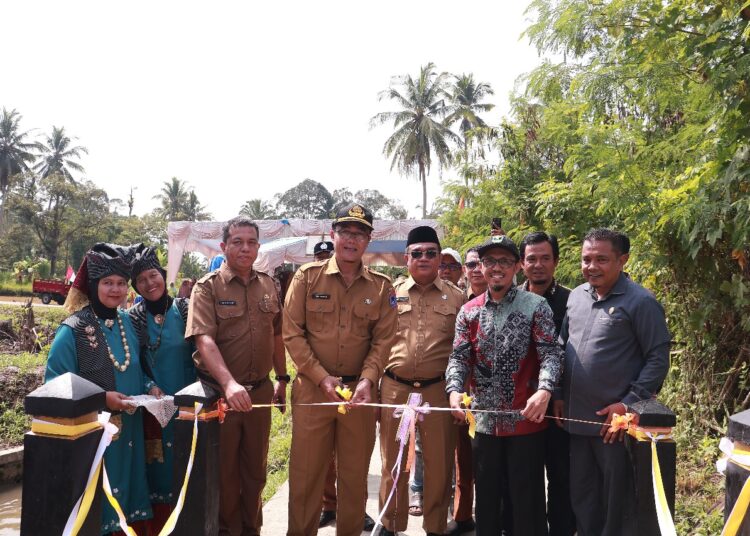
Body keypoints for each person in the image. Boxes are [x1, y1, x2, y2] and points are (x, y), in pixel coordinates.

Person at [283, 203, 397, 536]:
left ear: (368, 240)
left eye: (359, 233)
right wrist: (320, 377)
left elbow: (384, 341)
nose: (351, 239)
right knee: (306, 477)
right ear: (333, 235)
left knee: (354, 478)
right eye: (345, 232)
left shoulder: (381, 287)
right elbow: (292, 333)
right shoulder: (307, 278)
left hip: (359, 396)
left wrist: (367, 380)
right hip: (312, 392)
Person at [555, 229, 670, 536]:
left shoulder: (641, 302)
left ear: (622, 260)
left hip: (615, 427)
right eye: (586, 259)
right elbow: (561, 345)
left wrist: (628, 403)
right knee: (583, 497)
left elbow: (658, 359)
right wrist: (556, 392)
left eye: (601, 259)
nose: (591, 266)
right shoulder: (577, 297)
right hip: (576, 421)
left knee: (616, 503)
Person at [447, 235, 563, 536]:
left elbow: (551, 353)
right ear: (481, 267)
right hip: (484, 424)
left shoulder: (536, 306)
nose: (496, 268)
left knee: (527, 502)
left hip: (527, 422)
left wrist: (545, 389)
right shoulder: (469, 311)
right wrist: (454, 390)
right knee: (487, 501)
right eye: (489, 261)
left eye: (504, 261)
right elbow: (459, 357)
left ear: (516, 267)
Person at [185, 216, 288, 536]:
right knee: (225, 474)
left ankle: (252, 529)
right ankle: (228, 531)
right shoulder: (207, 288)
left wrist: (282, 380)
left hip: (259, 393)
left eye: (251, 242)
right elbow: (204, 339)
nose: (245, 248)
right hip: (220, 395)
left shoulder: (269, 284)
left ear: (258, 246)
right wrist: (229, 384)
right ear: (223, 246)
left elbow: (277, 336)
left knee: (255, 473)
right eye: (237, 242)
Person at [45, 243, 155, 535]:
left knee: (129, 505)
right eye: (108, 283)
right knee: (98, 513)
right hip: (94, 440)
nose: (116, 290)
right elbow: (54, 387)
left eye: (121, 283)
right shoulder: (73, 330)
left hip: (130, 432)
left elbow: (136, 369)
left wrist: (150, 387)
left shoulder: (127, 323)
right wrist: (101, 398)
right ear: (94, 286)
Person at [377, 226, 464, 536]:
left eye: (431, 253)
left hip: (437, 392)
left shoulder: (456, 297)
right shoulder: (389, 293)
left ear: (439, 257)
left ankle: (436, 526)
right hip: (396, 391)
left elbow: (463, 348)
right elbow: (376, 342)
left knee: (440, 464)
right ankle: (391, 523)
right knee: (395, 460)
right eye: (417, 253)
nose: (424, 258)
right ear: (406, 257)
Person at [127, 245, 197, 532]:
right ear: (136, 286)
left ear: (164, 276)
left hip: (189, 405)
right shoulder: (133, 317)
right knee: (157, 469)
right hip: (154, 409)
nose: (149, 283)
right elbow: (134, 361)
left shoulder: (185, 308)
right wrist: (149, 385)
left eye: (153, 275)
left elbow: (200, 353)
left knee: (188, 465)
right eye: (141, 279)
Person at [519, 232, 575, 536]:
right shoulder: (510, 298)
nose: (538, 265)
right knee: (523, 477)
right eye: (531, 259)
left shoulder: (572, 301)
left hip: (557, 404)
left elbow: (573, 353)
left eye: (544, 258)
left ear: (555, 261)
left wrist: (558, 392)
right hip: (519, 405)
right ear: (521, 263)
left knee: (560, 474)